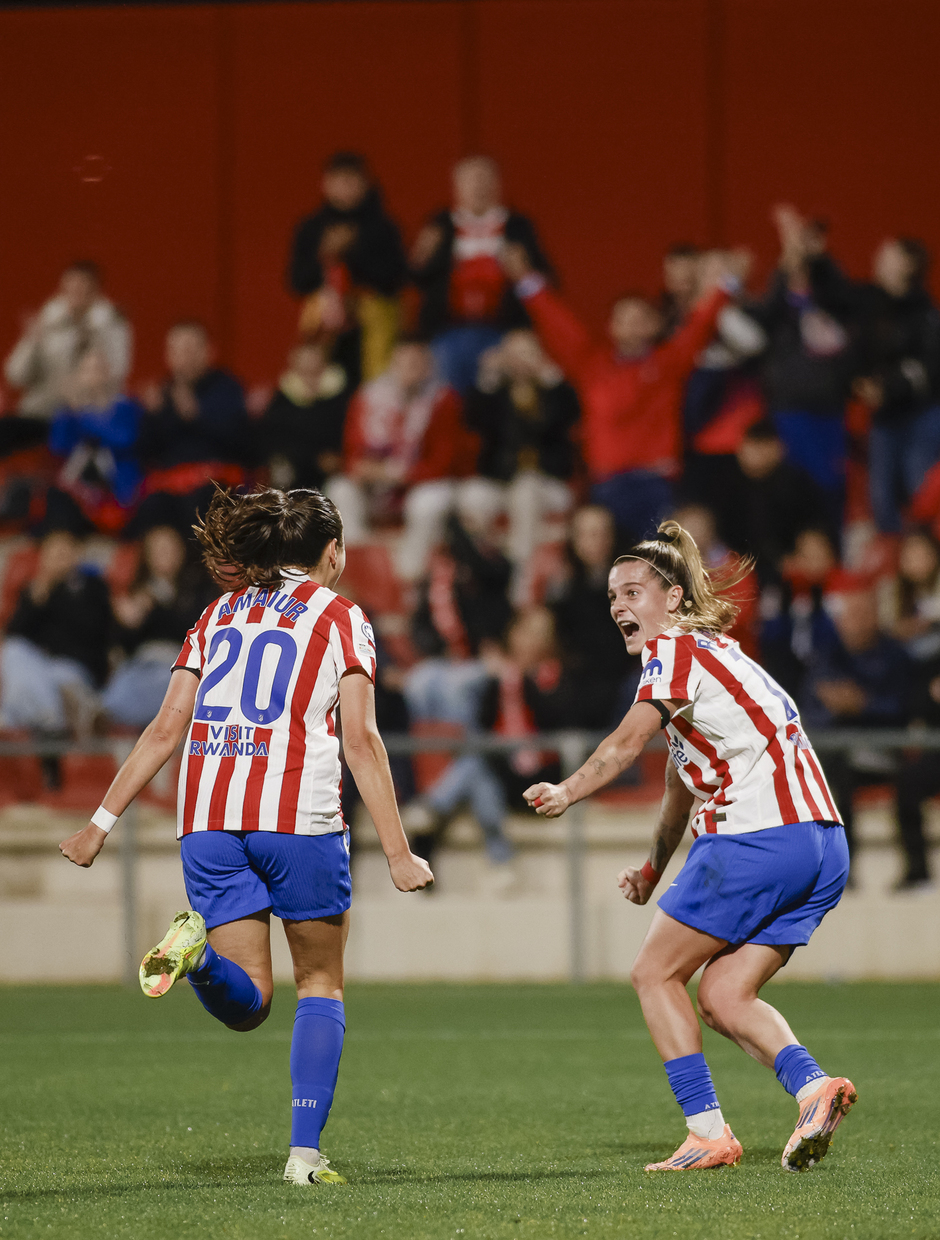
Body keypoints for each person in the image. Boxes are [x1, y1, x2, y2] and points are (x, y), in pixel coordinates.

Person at [58, 486, 433, 1187]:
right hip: (297, 818)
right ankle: (303, 1157)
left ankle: (196, 958)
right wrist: (399, 851)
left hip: (207, 819)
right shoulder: (341, 615)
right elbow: (362, 740)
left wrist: (98, 825)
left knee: (249, 1003)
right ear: (332, 554)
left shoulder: (217, 614)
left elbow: (164, 728)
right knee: (320, 982)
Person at [522, 520, 856, 1172]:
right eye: (613, 597)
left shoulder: (671, 654)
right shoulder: (716, 656)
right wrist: (653, 866)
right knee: (724, 995)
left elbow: (624, 744)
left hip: (756, 835)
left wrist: (568, 790)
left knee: (653, 973)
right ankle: (815, 1090)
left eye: (633, 592)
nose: (620, 605)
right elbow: (680, 782)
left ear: (673, 598)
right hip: (821, 844)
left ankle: (707, 1132)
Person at [503, 245, 744, 543]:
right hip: (607, 483)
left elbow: (701, 324)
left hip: (656, 482)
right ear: (611, 326)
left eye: (639, 318)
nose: (630, 324)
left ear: (654, 325)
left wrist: (727, 284)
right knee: (613, 571)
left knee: (661, 565)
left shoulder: (668, 363)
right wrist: (526, 280)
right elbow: (558, 322)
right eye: (623, 318)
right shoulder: (591, 365)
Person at [328, 339, 477, 580]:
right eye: (404, 363)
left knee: (429, 501)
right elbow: (352, 451)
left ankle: (408, 577)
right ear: (392, 364)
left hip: (419, 484)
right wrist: (363, 470)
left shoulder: (443, 400)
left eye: (417, 364)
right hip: (376, 486)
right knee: (340, 490)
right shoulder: (368, 397)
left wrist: (397, 473)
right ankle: (358, 570)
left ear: (429, 366)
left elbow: (443, 463)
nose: (410, 370)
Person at [410, 155, 553, 392]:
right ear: (456, 186)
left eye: (484, 179)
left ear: (498, 184)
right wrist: (419, 259)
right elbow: (417, 280)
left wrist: (524, 272)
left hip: (505, 332)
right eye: (470, 180)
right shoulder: (440, 225)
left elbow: (547, 281)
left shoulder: (518, 226)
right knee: (446, 394)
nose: (478, 187)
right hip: (449, 333)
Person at [801, 588, 910, 865]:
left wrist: (863, 705)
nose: (856, 623)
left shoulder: (895, 655)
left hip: (884, 749)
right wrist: (834, 705)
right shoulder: (825, 656)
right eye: (850, 616)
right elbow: (806, 709)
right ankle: (834, 866)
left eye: (864, 615)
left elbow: (904, 708)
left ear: (877, 618)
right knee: (826, 771)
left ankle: (913, 870)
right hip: (835, 752)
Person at [463, 329, 580, 568]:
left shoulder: (554, 392)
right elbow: (474, 421)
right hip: (502, 480)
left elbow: (568, 415)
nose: (520, 361)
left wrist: (550, 378)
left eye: (527, 353)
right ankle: (480, 564)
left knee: (526, 490)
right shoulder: (497, 394)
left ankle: (520, 569)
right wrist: (489, 377)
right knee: (471, 495)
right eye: (513, 354)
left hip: (549, 483)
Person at [288, 151, 407, 383]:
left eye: (352, 180)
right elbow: (297, 282)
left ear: (365, 184)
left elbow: (395, 278)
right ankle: (313, 388)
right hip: (327, 319)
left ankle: (376, 392)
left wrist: (352, 253)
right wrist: (326, 255)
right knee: (316, 311)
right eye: (339, 181)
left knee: (380, 312)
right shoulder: (311, 228)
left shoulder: (383, 228)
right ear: (325, 185)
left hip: (372, 321)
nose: (346, 187)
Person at [0, 530, 112, 757]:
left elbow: (95, 635)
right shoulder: (36, 589)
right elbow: (16, 634)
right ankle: (54, 723)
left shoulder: (93, 587)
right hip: (40, 671)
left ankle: (39, 727)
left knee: (15, 703)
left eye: (65, 550)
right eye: (53, 551)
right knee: (13, 652)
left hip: (74, 669)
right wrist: (37, 598)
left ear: (77, 554)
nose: (59, 557)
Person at [134, 322, 251, 536]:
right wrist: (151, 416)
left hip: (215, 482)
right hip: (170, 483)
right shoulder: (162, 393)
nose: (183, 357)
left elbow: (243, 444)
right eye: (176, 350)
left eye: (190, 349)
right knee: (150, 509)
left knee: (200, 507)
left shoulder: (227, 388)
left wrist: (196, 415)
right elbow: (147, 453)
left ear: (208, 351)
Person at [3, 261, 132, 446]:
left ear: (95, 291)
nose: (75, 293)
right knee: (7, 429)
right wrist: (31, 342)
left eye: (82, 287)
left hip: (87, 416)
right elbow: (15, 376)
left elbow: (117, 372)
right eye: (70, 287)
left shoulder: (112, 325)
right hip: (42, 413)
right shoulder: (48, 322)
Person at [103, 525, 217, 728]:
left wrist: (159, 604)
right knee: (119, 688)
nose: (164, 554)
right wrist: (128, 622)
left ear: (181, 551)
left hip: (178, 665)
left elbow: (198, 634)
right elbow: (122, 645)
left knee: (168, 686)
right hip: (139, 665)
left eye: (169, 548)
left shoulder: (198, 590)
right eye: (157, 549)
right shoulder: (137, 593)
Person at [46, 346, 143, 535]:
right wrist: (67, 412)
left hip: (118, 491)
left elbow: (124, 440)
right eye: (87, 370)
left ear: (109, 372)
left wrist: (82, 414)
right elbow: (57, 447)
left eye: (99, 368)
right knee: (55, 499)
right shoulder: (70, 412)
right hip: (80, 489)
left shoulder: (126, 406)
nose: (94, 375)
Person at [256, 341, 350, 492]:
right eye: (304, 372)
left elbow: (348, 442)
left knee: (343, 489)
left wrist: (338, 460)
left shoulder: (340, 401)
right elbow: (272, 446)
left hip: (332, 478)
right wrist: (315, 458)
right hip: (294, 478)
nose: (310, 379)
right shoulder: (280, 403)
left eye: (315, 371)